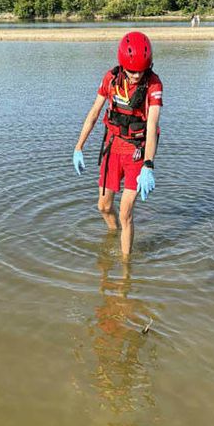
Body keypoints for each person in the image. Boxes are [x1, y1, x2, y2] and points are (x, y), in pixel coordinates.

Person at [71, 31, 162, 259]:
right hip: (112, 148)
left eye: (142, 70)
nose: (136, 76)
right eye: (132, 71)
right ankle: (114, 234)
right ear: (122, 65)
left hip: (136, 152)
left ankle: (125, 271)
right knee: (103, 207)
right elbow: (94, 113)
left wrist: (148, 165)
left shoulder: (153, 84)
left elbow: (152, 126)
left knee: (125, 213)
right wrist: (78, 147)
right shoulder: (111, 79)